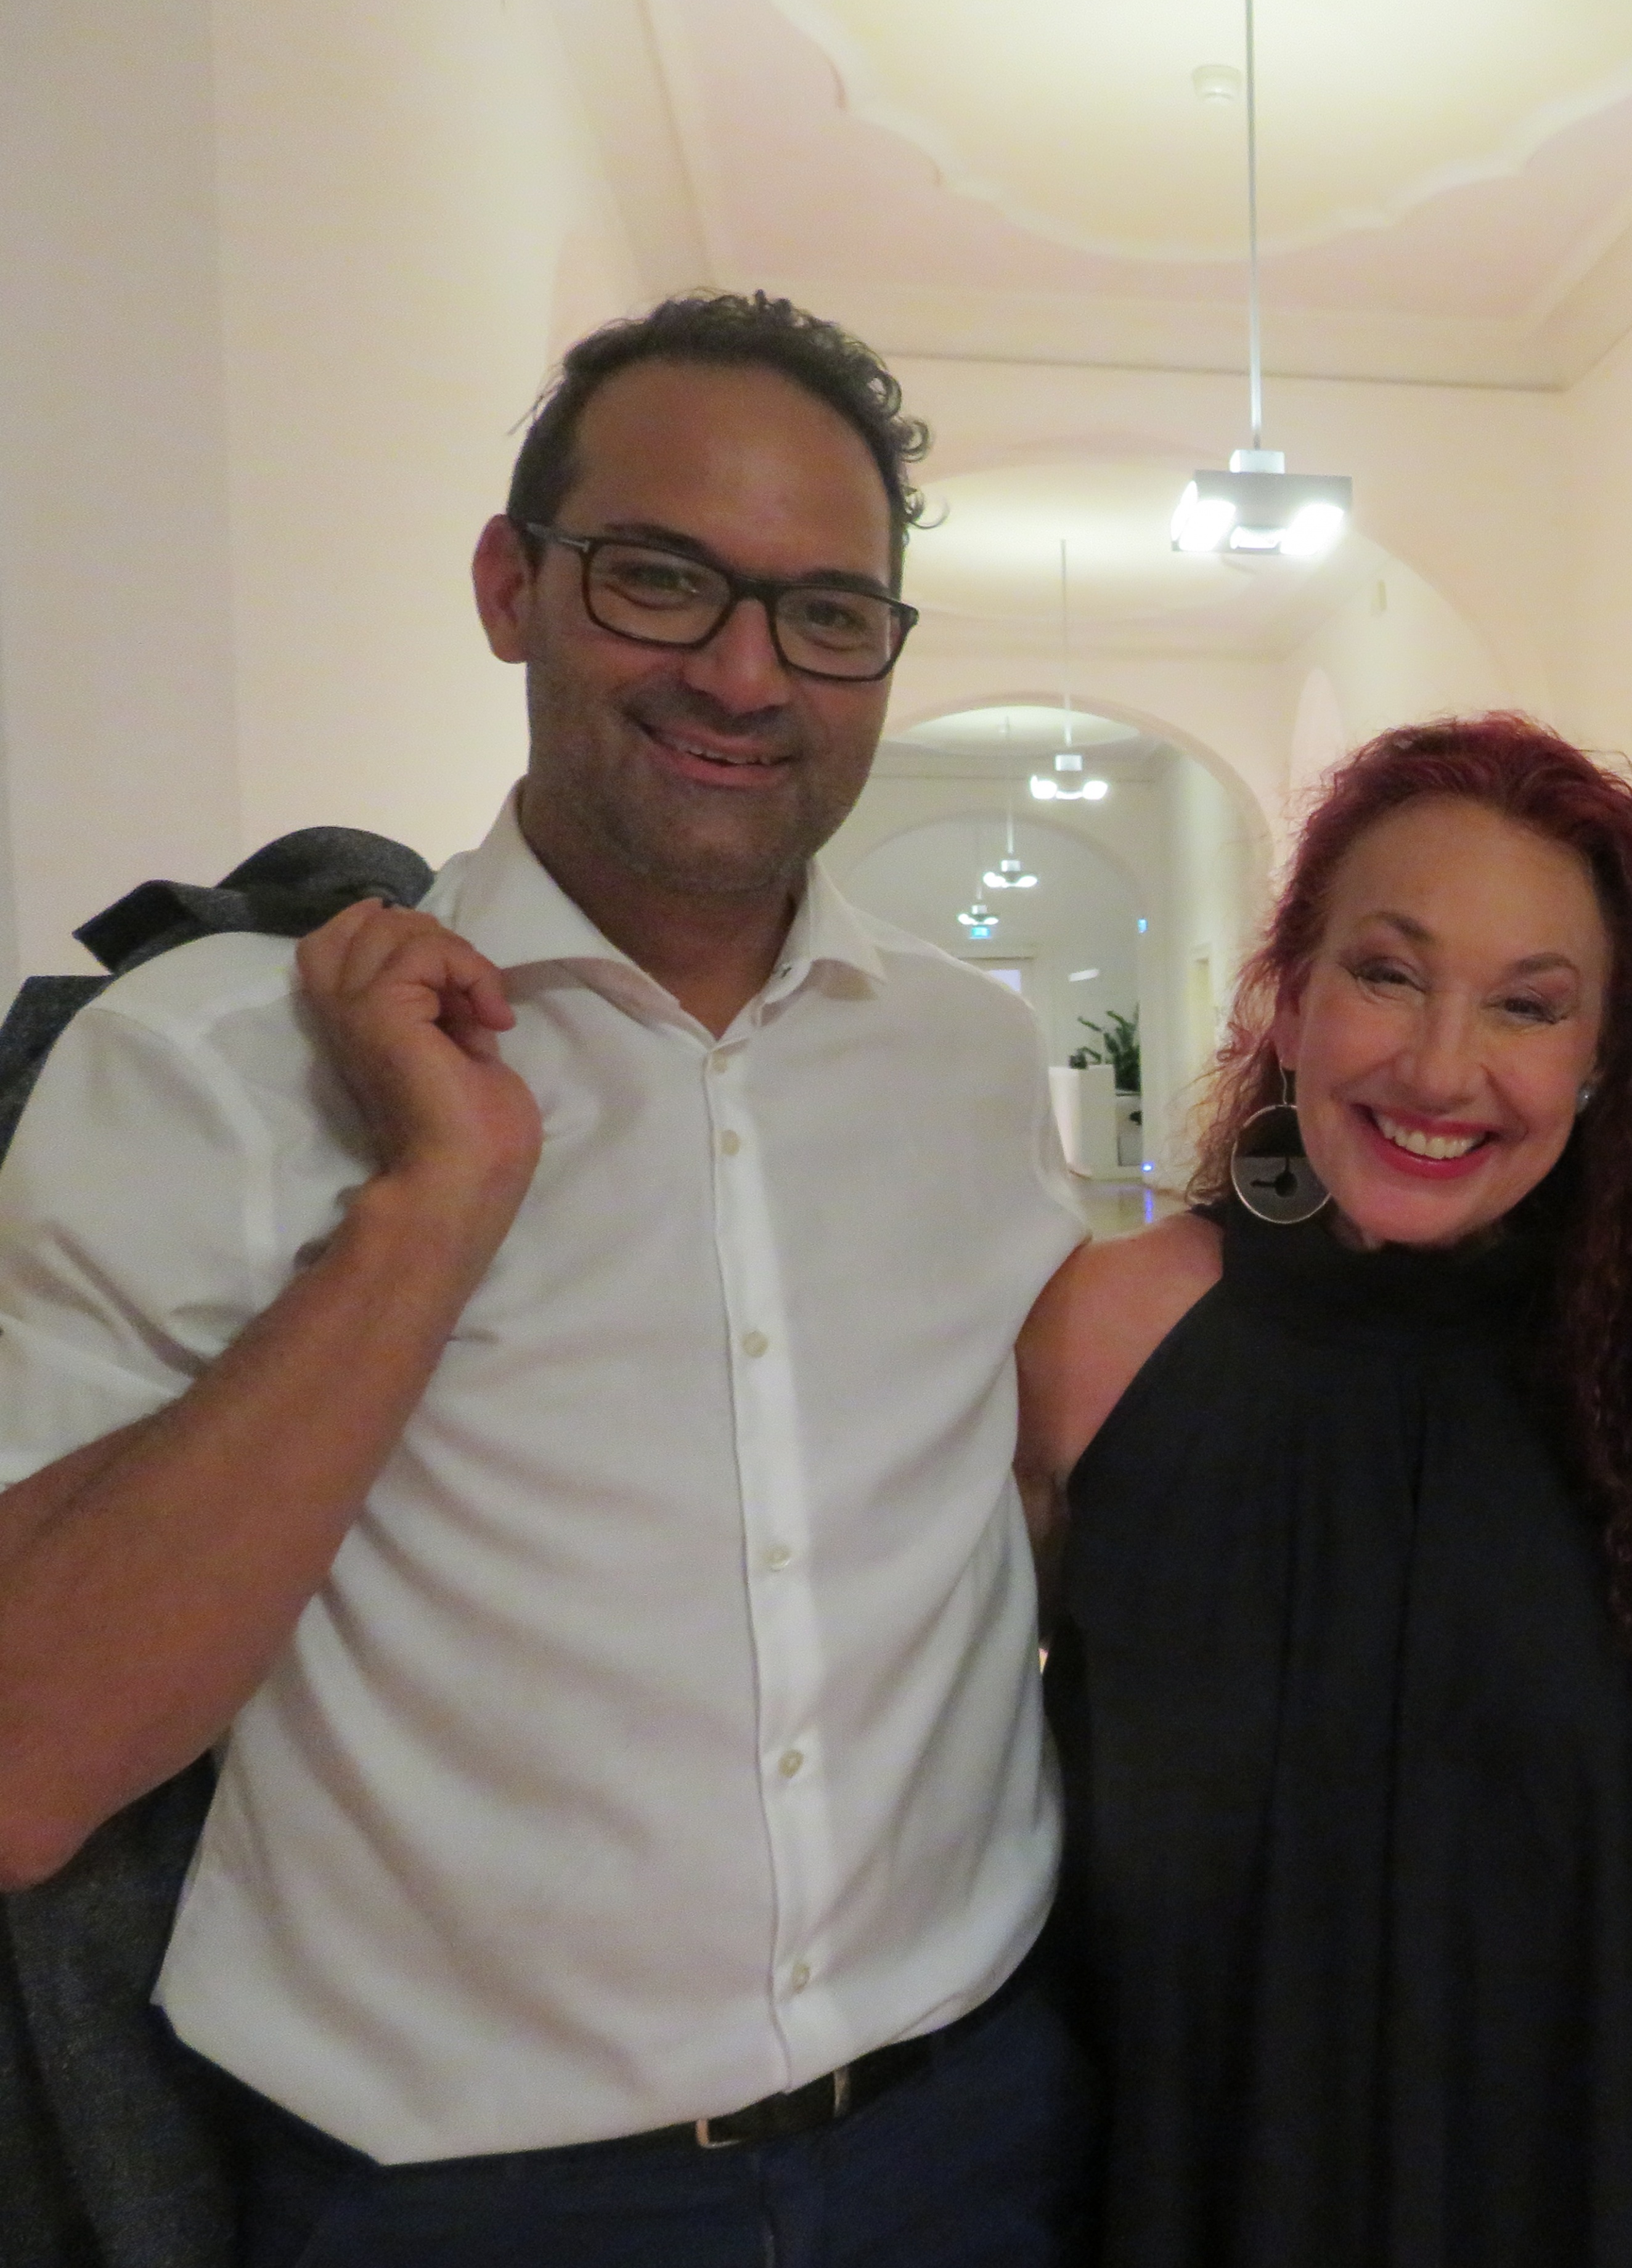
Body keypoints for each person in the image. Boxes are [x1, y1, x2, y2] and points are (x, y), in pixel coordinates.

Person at [0, 292, 1095, 2264]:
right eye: (662, 579)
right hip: (452, 2201)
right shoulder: (215, 1065)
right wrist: (431, 1203)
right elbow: (27, 1756)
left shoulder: (971, 1058)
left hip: (966, 2133)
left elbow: (1020, 1494)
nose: (745, 672)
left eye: (827, 613)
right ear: (513, 585)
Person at [1016, 717, 1632, 2268]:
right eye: (1387, 974)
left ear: (1602, 1060)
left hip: (1598, 2182)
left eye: (1528, 1006)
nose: (1439, 1068)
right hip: (1199, 2180)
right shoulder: (1107, 1332)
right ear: (1291, 997)